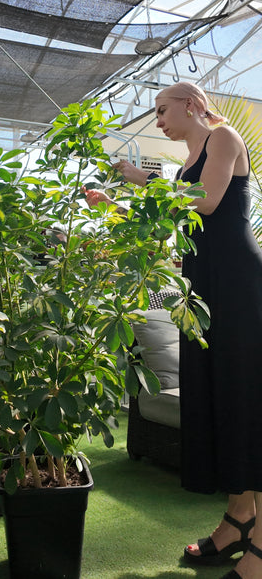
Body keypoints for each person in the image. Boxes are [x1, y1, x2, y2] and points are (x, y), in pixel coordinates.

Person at [84, 81, 262, 579]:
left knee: (246, 401)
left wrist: (143, 178)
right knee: (218, 398)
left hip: (238, 285)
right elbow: (175, 223)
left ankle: (261, 549)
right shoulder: (186, 164)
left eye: (163, 109)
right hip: (200, 288)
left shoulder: (223, 139)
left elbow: (205, 203)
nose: (158, 118)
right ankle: (238, 518)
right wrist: (112, 206)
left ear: (192, 105)